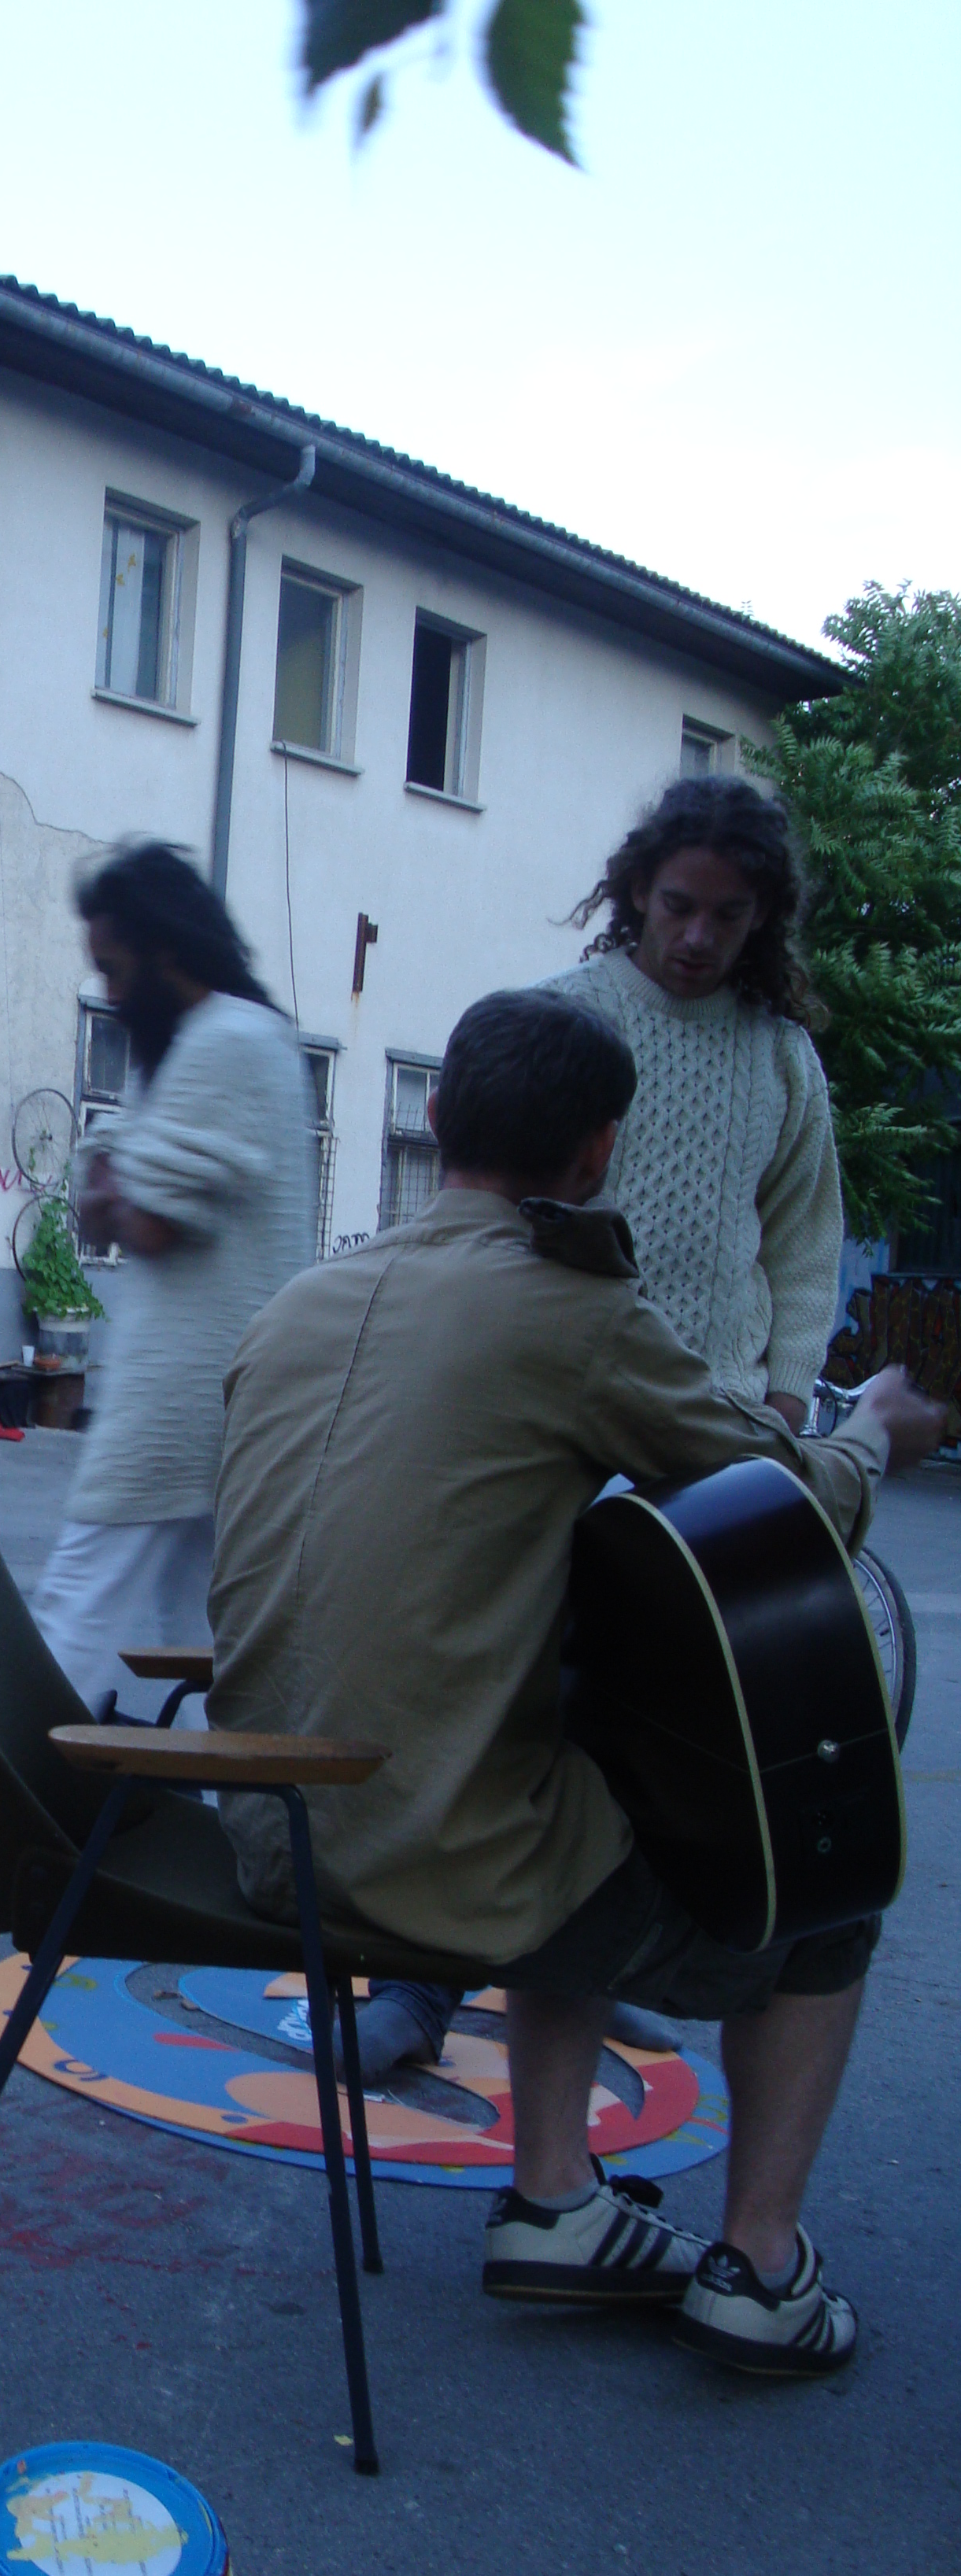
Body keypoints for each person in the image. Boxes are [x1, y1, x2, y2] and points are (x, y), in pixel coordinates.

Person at [207, 988, 941, 2375]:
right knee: (829, 1893)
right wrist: (875, 1436)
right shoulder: (571, 1316)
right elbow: (780, 1494)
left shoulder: (299, 1302)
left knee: (581, 1764)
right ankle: (762, 2271)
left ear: (438, 1116)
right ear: (601, 1152)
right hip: (421, 1855)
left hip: (265, 1828)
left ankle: (559, 2203)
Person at [349, 773, 850, 2081]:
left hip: (711, 1432)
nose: (697, 936)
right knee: (515, 1689)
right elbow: (505, 1207)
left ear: (762, 918)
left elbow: (805, 1242)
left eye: (727, 916)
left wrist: (786, 1395)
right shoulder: (570, 1019)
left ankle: (596, 1954)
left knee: (658, 1718)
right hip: (559, 1412)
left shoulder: (782, 1060)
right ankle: (421, 1980)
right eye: (677, 905)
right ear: (635, 892)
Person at [0, 842, 316, 1874]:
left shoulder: (220, 1043)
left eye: (113, 967)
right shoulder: (246, 1039)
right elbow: (114, 1193)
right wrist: (114, 1175)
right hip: (244, 1387)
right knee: (210, 1624)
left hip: (184, 1390)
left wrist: (113, 1173)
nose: (108, 992)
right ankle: (224, 1822)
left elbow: (136, 1217)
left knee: (84, 1595)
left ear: (163, 949)